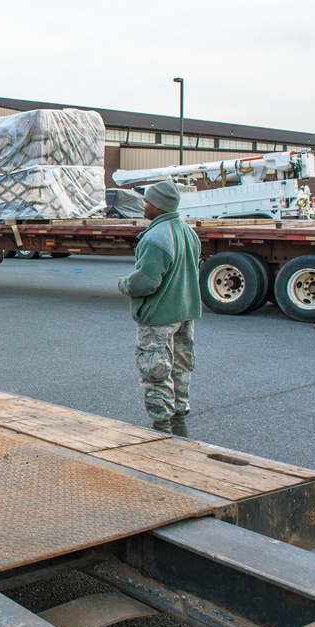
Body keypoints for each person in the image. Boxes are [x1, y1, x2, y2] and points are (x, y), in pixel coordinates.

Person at [118, 179, 202, 437]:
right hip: (184, 311)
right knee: (180, 367)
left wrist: (124, 285)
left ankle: (162, 428)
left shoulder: (156, 236)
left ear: (158, 206)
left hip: (160, 316)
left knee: (155, 371)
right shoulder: (188, 231)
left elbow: (147, 281)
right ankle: (179, 424)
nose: (144, 206)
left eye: (147, 202)